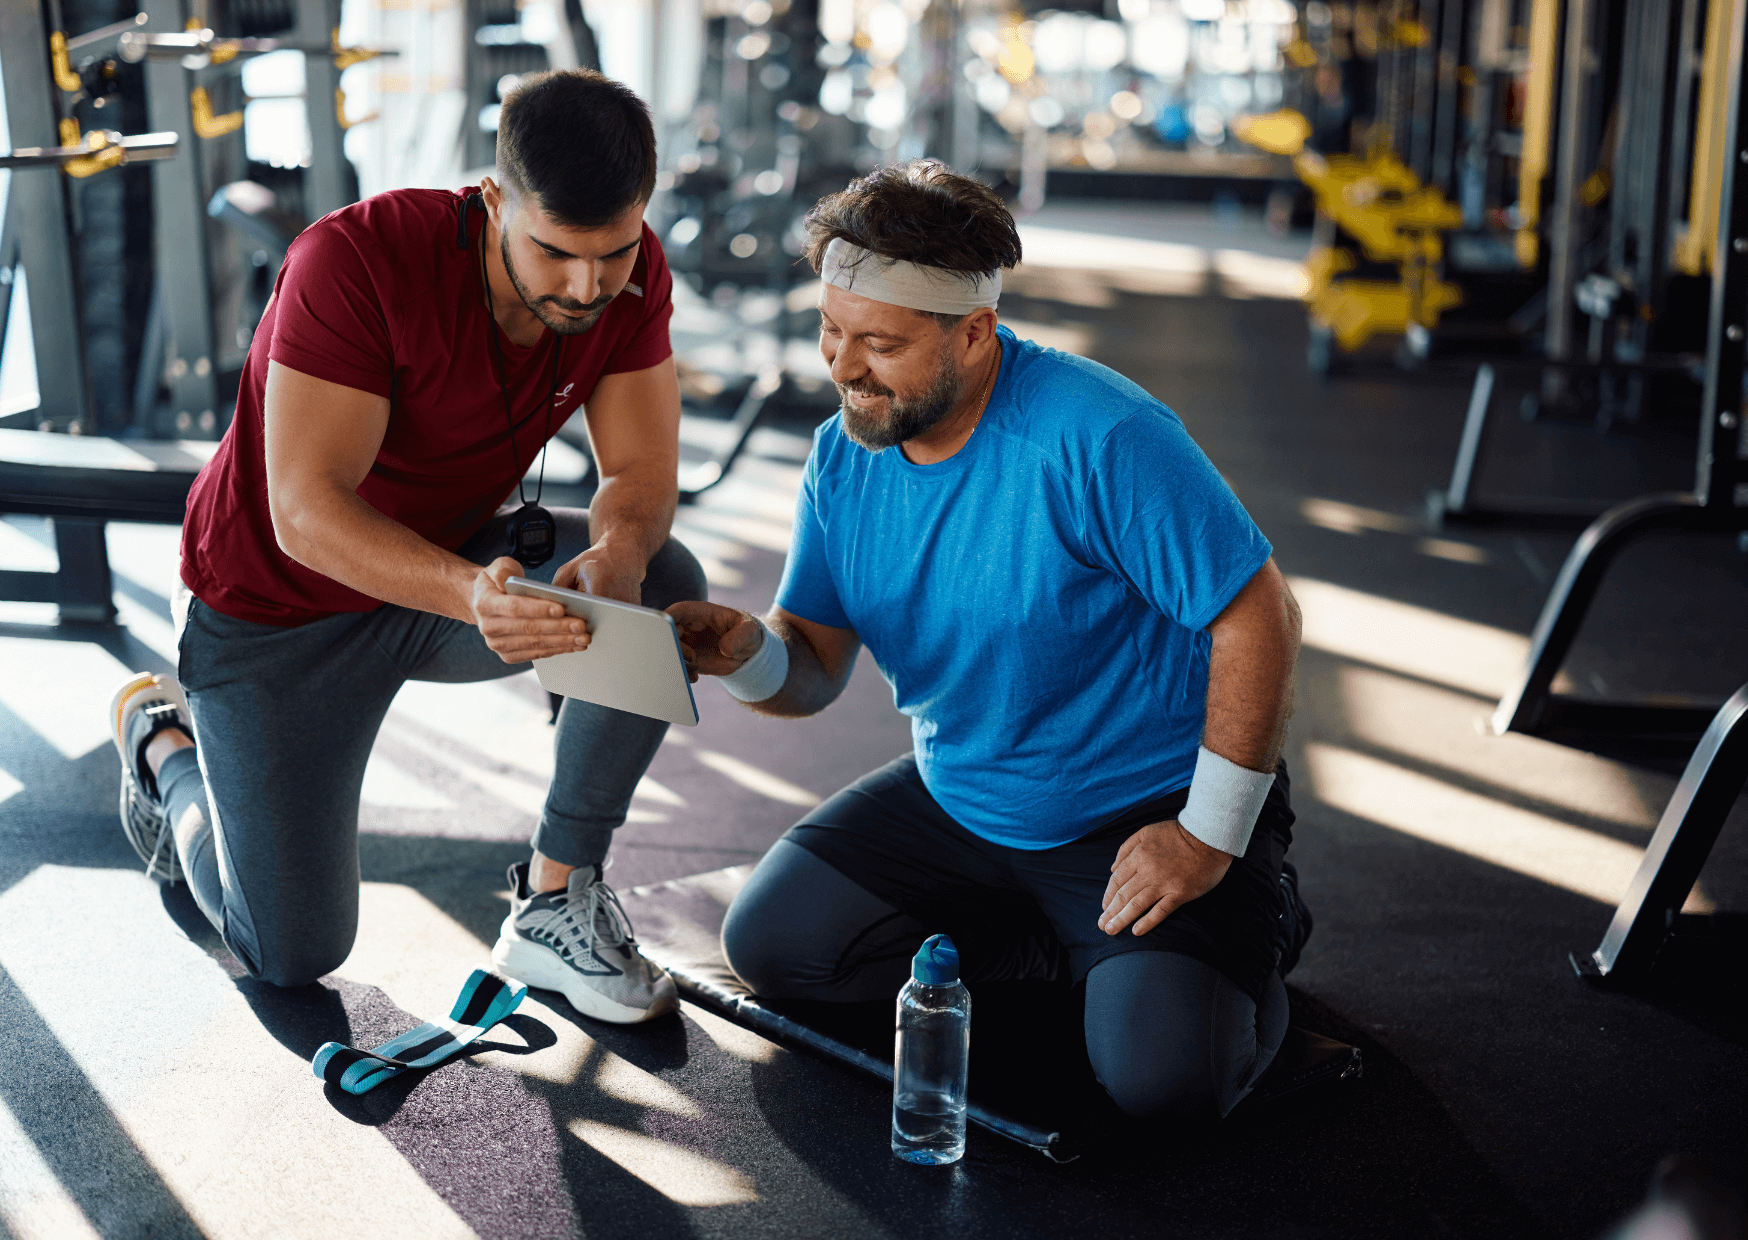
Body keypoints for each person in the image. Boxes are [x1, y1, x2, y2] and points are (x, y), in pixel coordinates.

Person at [670, 161, 1310, 1119]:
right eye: (831, 330)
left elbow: (1260, 614)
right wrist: (741, 652)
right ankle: (1066, 943)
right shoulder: (846, 452)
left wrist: (1208, 835)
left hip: (1140, 811)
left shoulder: (1099, 434)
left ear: (973, 333)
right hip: (963, 798)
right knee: (775, 949)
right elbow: (808, 670)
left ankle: (1261, 916)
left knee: (1165, 1084)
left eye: (879, 343)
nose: (842, 367)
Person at [106, 70, 702, 1024]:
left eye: (615, 252)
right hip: (273, 610)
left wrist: (619, 555)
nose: (589, 287)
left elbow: (637, 469)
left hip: (449, 576)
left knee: (660, 581)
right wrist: (473, 594)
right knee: (290, 955)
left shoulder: (630, 274)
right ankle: (163, 747)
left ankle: (555, 900)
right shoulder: (355, 262)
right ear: (495, 198)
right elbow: (307, 511)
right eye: (555, 253)